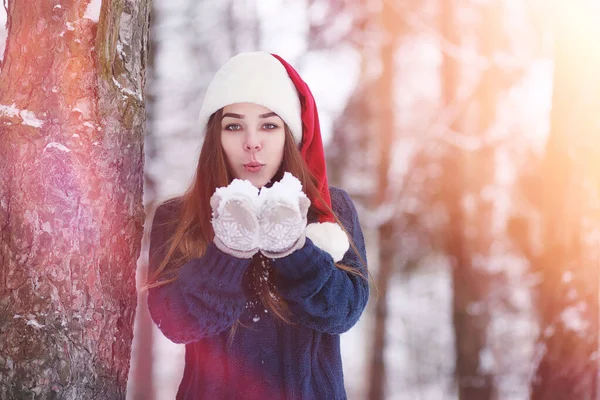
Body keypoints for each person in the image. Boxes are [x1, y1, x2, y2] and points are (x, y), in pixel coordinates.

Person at [145, 51, 369, 400]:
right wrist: (227, 252)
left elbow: (343, 312)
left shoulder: (329, 209)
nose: (252, 141)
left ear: (289, 135)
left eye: (269, 125)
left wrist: (294, 251)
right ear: (215, 137)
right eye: (234, 125)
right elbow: (175, 323)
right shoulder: (177, 217)